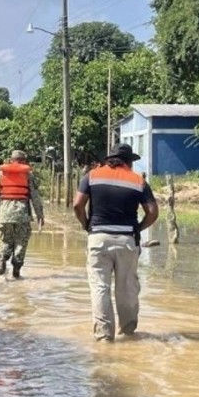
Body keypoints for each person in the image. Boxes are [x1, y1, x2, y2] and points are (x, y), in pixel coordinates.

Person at [73, 142, 159, 342]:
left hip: (98, 238)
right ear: (129, 161)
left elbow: (78, 205)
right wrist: (138, 228)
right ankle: (128, 332)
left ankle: (103, 336)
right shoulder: (138, 181)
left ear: (108, 159)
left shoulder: (91, 176)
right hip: (127, 240)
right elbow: (153, 212)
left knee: (99, 287)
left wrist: (87, 226)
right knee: (127, 287)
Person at [0, 149, 44, 278]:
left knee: (5, 240)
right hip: (22, 214)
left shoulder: (1, 174)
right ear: (24, 161)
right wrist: (40, 215)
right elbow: (35, 197)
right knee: (21, 242)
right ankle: (16, 271)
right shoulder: (28, 175)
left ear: (11, 160)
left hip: (5, 214)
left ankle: (2, 261)